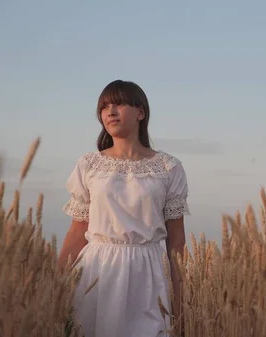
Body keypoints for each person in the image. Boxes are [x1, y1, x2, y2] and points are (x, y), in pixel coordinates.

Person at [58, 79, 189, 337]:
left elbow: (176, 242)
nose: (110, 111)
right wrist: (51, 284)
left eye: (118, 104)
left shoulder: (168, 168)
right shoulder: (89, 165)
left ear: (141, 112)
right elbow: (77, 232)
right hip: (96, 274)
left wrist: (183, 302)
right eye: (104, 107)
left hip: (147, 277)